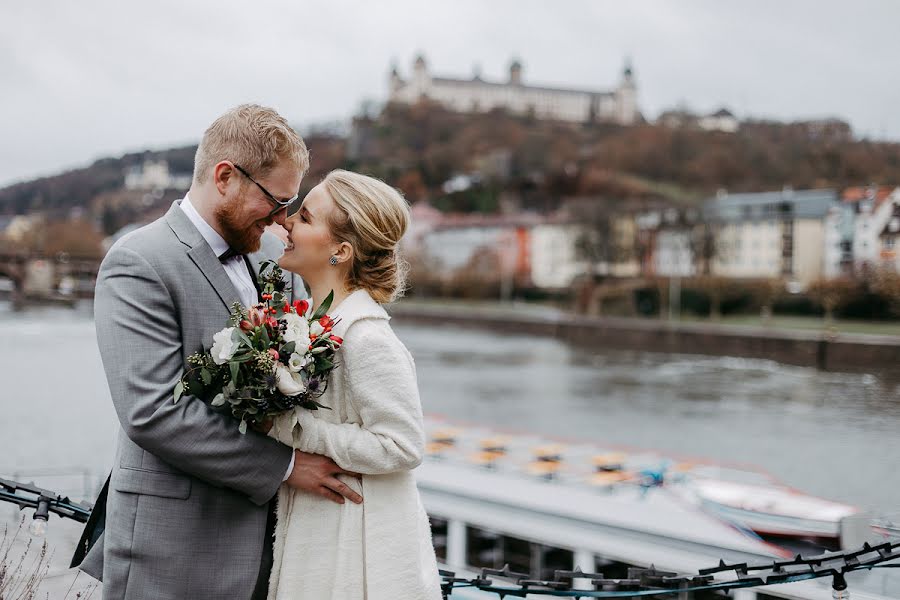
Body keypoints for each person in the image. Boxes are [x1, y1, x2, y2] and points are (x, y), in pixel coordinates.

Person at [73, 104, 363, 599]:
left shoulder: (278, 260)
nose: (284, 221)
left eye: (291, 207)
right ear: (225, 177)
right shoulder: (139, 261)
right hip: (173, 548)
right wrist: (288, 469)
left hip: (275, 555)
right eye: (276, 202)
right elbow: (153, 411)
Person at [266, 170, 442, 599]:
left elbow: (403, 445)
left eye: (305, 217)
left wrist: (299, 432)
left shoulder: (367, 338)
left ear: (340, 251)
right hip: (322, 534)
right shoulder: (308, 325)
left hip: (356, 552)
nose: (287, 221)